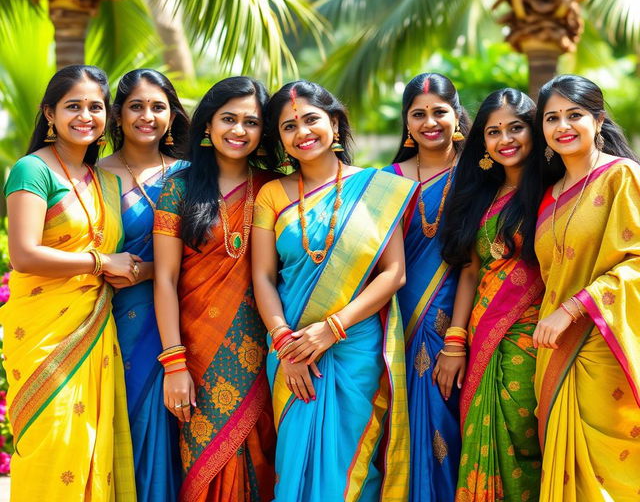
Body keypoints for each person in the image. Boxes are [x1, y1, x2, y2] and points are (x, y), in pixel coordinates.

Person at [252, 80, 417, 502]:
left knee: (354, 466)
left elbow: (393, 273)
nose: (302, 132)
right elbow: (264, 278)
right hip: (289, 348)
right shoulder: (272, 193)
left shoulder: (379, 188)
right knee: (294, 467)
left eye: (311, 119)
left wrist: (331, 329)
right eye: (288, 127)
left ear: (335, 123)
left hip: (355, 345)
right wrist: (286, 344)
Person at [1, 65, 138, 500]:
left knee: (91, 439)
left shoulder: (103, 181)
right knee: (56, 439)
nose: (85, 115)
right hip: (46, 334)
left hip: (95, 327)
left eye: (95, 107)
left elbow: (126, 262)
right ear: (49, 114)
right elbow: (23, 255)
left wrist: (140, 269)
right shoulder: (32, 170)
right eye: (72, 106)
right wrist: (101, 262)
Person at [153, 77, 276, 502]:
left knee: (263, 457)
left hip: (265, 352)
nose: (239, 130)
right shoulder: (180, 187)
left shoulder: (274, 187)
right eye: (228, 119)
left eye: (251, 122)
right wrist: (174, 364)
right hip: (196, 354)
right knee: (204, 462)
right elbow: (166, 279)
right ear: (207, 124)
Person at [532, 75, 640, 500]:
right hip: (553, 353)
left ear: (597, 120)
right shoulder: (546, 194)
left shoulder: (622, 177)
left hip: (605, 347)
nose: (563, 126)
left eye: (574, 115)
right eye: (552, 117)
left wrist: (574, 308)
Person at [438, 88, 544, 502]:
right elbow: (469, 271)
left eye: (516, 128)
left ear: (534, 132)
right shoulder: (483, 195)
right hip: (483, 332)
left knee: (524, 438)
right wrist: (454, 342)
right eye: (494, 131)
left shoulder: (552, 190)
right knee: (482, 436)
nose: (506, 139)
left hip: (533, 336)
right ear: (482, 142)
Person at [99, 68, 190, 501]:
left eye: (158, 107)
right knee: (121, 427)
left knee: (174, 437)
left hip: (178, 321)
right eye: (136, 106)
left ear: (173, 116)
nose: (147, 116)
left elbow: (208, 257)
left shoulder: (192, 176)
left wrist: (149, 270)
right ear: (117, 115)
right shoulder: (93, 176)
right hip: (109, 324)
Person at [383, 72, 468, 502]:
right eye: (418, 114)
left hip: (457, 323)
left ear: (457, 116)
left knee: (448, 422)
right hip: (393, 325)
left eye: (439, 111)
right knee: (396, 427)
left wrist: (457, 337)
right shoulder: (385, 180)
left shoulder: (479, 173)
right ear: (407, 122)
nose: (429, 121)